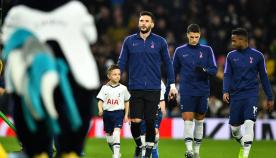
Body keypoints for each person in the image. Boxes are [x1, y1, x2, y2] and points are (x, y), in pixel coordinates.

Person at [1, 0, 99, 157]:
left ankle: (38, 151)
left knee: (33, 123)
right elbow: (91, 35)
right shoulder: (76, 10)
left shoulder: (18, 14)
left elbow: (6, 38)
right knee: (72, 118)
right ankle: (70, 151)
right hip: (75, 77)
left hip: (31, 79)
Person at [118, 11, 177, 158]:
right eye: (141, 20)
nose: (143, 23)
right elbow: (122, 62)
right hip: (135, 87)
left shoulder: (160, 42)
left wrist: (172, 84)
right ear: (139, 23)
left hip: (153, 88)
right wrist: (116, 80)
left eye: (146, 21)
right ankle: (139, 145)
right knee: (136, 122)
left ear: (152, 24)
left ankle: (148, 152)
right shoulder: (129, 41)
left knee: (151, 122)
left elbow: (168, 65)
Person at [223, 28, 274, 158]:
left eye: (234, 41)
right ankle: (243, 144)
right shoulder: (231, 56)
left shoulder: (257, 56)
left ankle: (244, 155)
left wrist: (270, 96)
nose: (232, 43)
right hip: (236, 95)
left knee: (249, 123)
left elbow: (264, 77)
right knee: (234, 130)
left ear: (243, 40)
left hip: (251, 95)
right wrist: (225, 90)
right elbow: (227, 74)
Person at [173, 24, 217, 158]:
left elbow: (214, 70)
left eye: (196, 37)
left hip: (202, 90)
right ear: (187, 35)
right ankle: (189, 150)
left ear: (200, 36)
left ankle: (197, 151)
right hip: (186, 90)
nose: (194, 39)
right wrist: (172, 86)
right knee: (187, 119)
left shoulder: (207, 50)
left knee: (199, 121)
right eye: (191, 37)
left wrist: (204, 71)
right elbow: (172, 71)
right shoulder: (179, 51)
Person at [96, 64, 130, 158]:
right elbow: (100, 101)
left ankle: (115, 155)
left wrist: (126, 115)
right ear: (109, 76)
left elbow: (127, 101)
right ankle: (117, 153)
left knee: (116, 133)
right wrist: (100, 109)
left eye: (119, 74)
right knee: (109, 139)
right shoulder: (104, 88)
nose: (117, 76)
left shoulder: (123, 88)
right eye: (115, 74)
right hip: (107, 114)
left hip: (118, 113)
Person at [140, 80, 166, 158]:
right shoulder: (139, 79)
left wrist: (163, 110)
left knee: (155, 133)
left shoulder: (159, 82)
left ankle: (154, 149)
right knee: (143, 134)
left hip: (156, 110)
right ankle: (144, 154)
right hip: (142, 110)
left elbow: (162, 97)